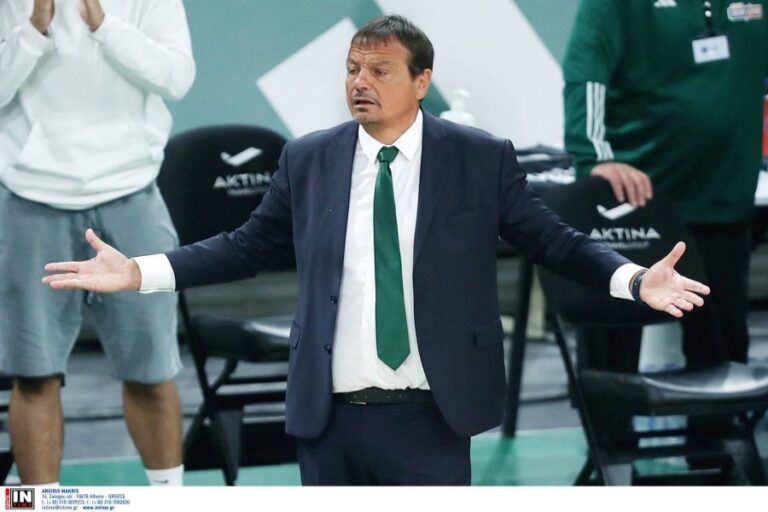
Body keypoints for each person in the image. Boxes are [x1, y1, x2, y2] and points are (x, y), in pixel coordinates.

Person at [43, 15, 710, 486]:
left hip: (431, 414)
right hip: (328, 417)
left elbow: (552, 240)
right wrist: (139, 272)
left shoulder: (477, 159)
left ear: (422, 81)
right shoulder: (309, 159)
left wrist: (632, 280)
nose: (360, 82)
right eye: (353, 69)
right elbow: (246, 247)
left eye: (380, 71)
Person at [0, 0, 195, 486]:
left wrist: (105, 26)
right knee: (34, 373)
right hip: (31, 197)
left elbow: (177, 78)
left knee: (152, 370)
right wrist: (34, 31)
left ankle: (168, 499)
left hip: (132, 192)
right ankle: (39, 505)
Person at [563, 0, 767, 374]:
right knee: (609, 363)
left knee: (724, 356)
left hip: (723, 202)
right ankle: (607, 413)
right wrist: (594, 158)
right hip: (632, 207)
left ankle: (720, 416)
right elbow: (585, 71)